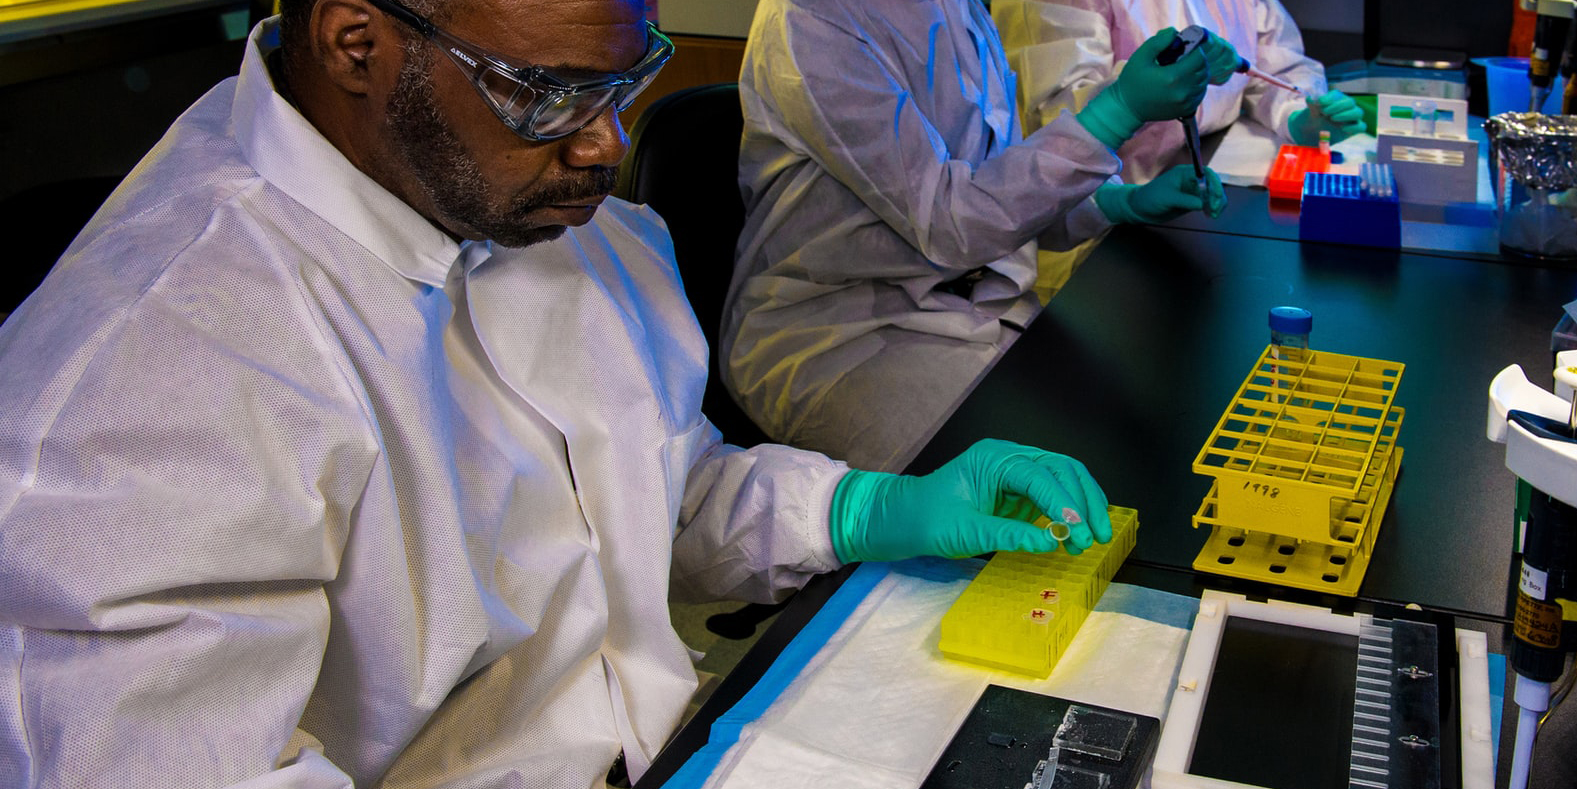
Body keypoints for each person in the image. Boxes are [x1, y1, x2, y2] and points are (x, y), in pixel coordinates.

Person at [0, 0, 1117, 784]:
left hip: (676, 740)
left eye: (627, 81)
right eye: (550, 94)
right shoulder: (149, 376)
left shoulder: (560, 218)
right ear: (356, 40)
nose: (606, 142)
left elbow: (649, 494)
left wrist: (857, 509)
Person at [724, 0, 1240, 473]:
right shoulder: (814, 18)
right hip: (844, 337)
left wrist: (1115, 201)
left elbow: (999, 191)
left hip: (977, 307)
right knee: (1046, 490)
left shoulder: (957, 6)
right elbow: (952, 224)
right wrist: (1118, 113)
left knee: (1155, 431)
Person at [993, 0, 1366, 184]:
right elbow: (1057, 119)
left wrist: (1298, 114)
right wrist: (1166, 76)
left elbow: (1268, 64)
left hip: (1196, 196)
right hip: (1090, 222)